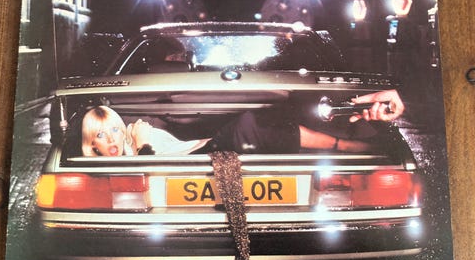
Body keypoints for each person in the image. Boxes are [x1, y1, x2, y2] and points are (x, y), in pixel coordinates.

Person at [81, 89, 404, 157]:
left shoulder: (134, 134)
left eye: (113, 130)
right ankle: (351, 146)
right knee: (249, 124)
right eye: (100, 135)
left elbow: (143, 133)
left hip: (199, 151)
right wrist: (142, 149)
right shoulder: (125, 153)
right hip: (195, 161)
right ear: (90, 143)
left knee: (268, 116)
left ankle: (353, 133)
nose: (111, 139)